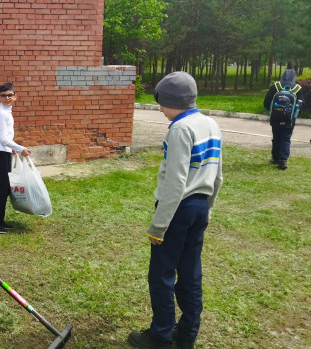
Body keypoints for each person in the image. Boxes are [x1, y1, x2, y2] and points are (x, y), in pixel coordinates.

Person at [128, 72, 224, 349]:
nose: (159, 109)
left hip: (178, 210)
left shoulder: (180, 129)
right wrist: (209, 208)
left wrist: (158, 227)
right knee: (191, 273)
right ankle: (186, 336)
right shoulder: (210, 124)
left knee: (161, 275)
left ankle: (160, 336)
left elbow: (176, 183)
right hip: (200, 207)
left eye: (161, 102)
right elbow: (218, 175)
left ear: (172, 100)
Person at [0, 82, 31, 234]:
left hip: (3, 153)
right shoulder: (2, 113)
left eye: (10, 95)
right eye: (3, 96)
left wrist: (11, 149)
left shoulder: (6, 112)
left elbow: (4, 138)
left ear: (15, 96)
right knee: (1, 189)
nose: (7, 98)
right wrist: (20, 148)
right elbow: (4, 139)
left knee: (4, 189)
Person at [263, 68, 303, 170]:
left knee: (276, 137)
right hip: (289, 119)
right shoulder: (297, 88)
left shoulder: (276, 86)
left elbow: (266, 102)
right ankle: (283, 160)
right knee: (286, 138)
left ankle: (275, 157)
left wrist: (272, 112)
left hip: (275, 118)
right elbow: (301, 105)